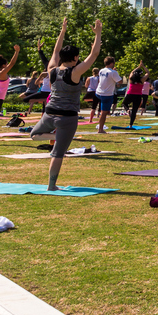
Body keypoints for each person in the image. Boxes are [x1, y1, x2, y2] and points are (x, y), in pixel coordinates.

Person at [29, 18, 103, 191]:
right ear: (76, 58)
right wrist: (98, 33)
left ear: (62, 57)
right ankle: (51, 186)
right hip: (67, 118)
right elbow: (94, 54)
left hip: (49, 114)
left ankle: (58, 138)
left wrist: (62, 31)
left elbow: (55, 51)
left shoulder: (52, 70)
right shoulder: (75, 72)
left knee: (34, 135)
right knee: (58, 153)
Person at [93, 57, 122, 133]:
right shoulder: (113, 72)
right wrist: (115, 72)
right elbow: (120, 81)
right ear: (112, 63)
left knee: (104, 111)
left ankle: (101, 126)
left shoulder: (101, 70)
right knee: (104, 113)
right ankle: (100, 129)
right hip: (107, 94)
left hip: (99, 92)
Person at [123, 62, 145, 128]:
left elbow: (132, 72)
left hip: (130, 94)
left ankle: (127, 110)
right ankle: (130, 125)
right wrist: (143, 67)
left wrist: (138, 67)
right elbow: (148, 73)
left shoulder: (131, 79)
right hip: (138, 96)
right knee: (134, 111)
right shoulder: (142, 80)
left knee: (124, 103)